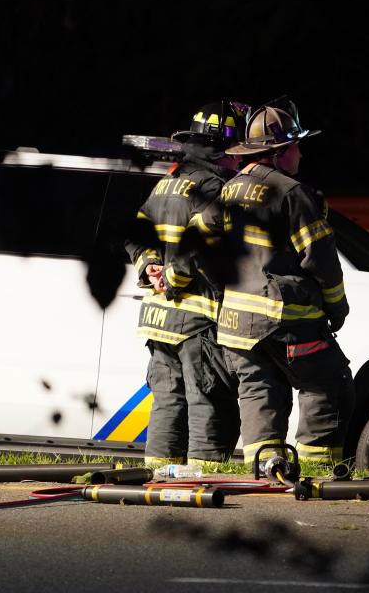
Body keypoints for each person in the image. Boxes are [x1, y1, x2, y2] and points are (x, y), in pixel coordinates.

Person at [197, 97, 354, 466]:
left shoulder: (228, 189)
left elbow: (200, 245)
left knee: (258, 391)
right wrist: (337, 308)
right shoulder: (291, 193)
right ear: (279, 151)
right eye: (296, 145)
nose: (300, 154)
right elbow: (321, 260)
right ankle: (318, 468)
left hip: (236, 326)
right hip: (288, 322)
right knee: (327, 383)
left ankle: (266, 468)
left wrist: (224, 291)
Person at [125, 101, 249, 466]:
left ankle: (159, 478)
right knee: (207, 399)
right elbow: (198, 245)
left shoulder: (167, 183)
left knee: (167, 400)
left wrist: (149, 267)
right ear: (224, 150)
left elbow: (135, 235)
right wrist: (174, 278)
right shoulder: (215, 187)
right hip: (196, 319)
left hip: (159, 319)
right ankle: (204, 479)